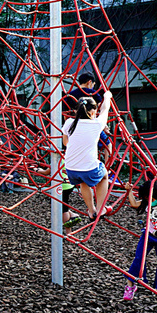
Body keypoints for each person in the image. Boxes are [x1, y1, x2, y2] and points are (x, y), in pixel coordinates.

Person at [122, 175, 157, 301]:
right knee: (139, 258)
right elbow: (133, 204)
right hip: (148, 235)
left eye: (149, 196)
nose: (148, 199)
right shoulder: (148, 202)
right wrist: (129, 191)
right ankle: (130, 284)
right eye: (146, 197)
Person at [61, 90, 114, 219]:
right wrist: (107, 96)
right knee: (104, 176)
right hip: (88, 168)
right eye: (94, 111)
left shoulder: (69, 123)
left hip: (71, 169)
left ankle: (91, 210)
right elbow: (105, 109)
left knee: (83, 182)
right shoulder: (96, 124)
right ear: (91, 112)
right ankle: (100, 208)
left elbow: (65, 142)